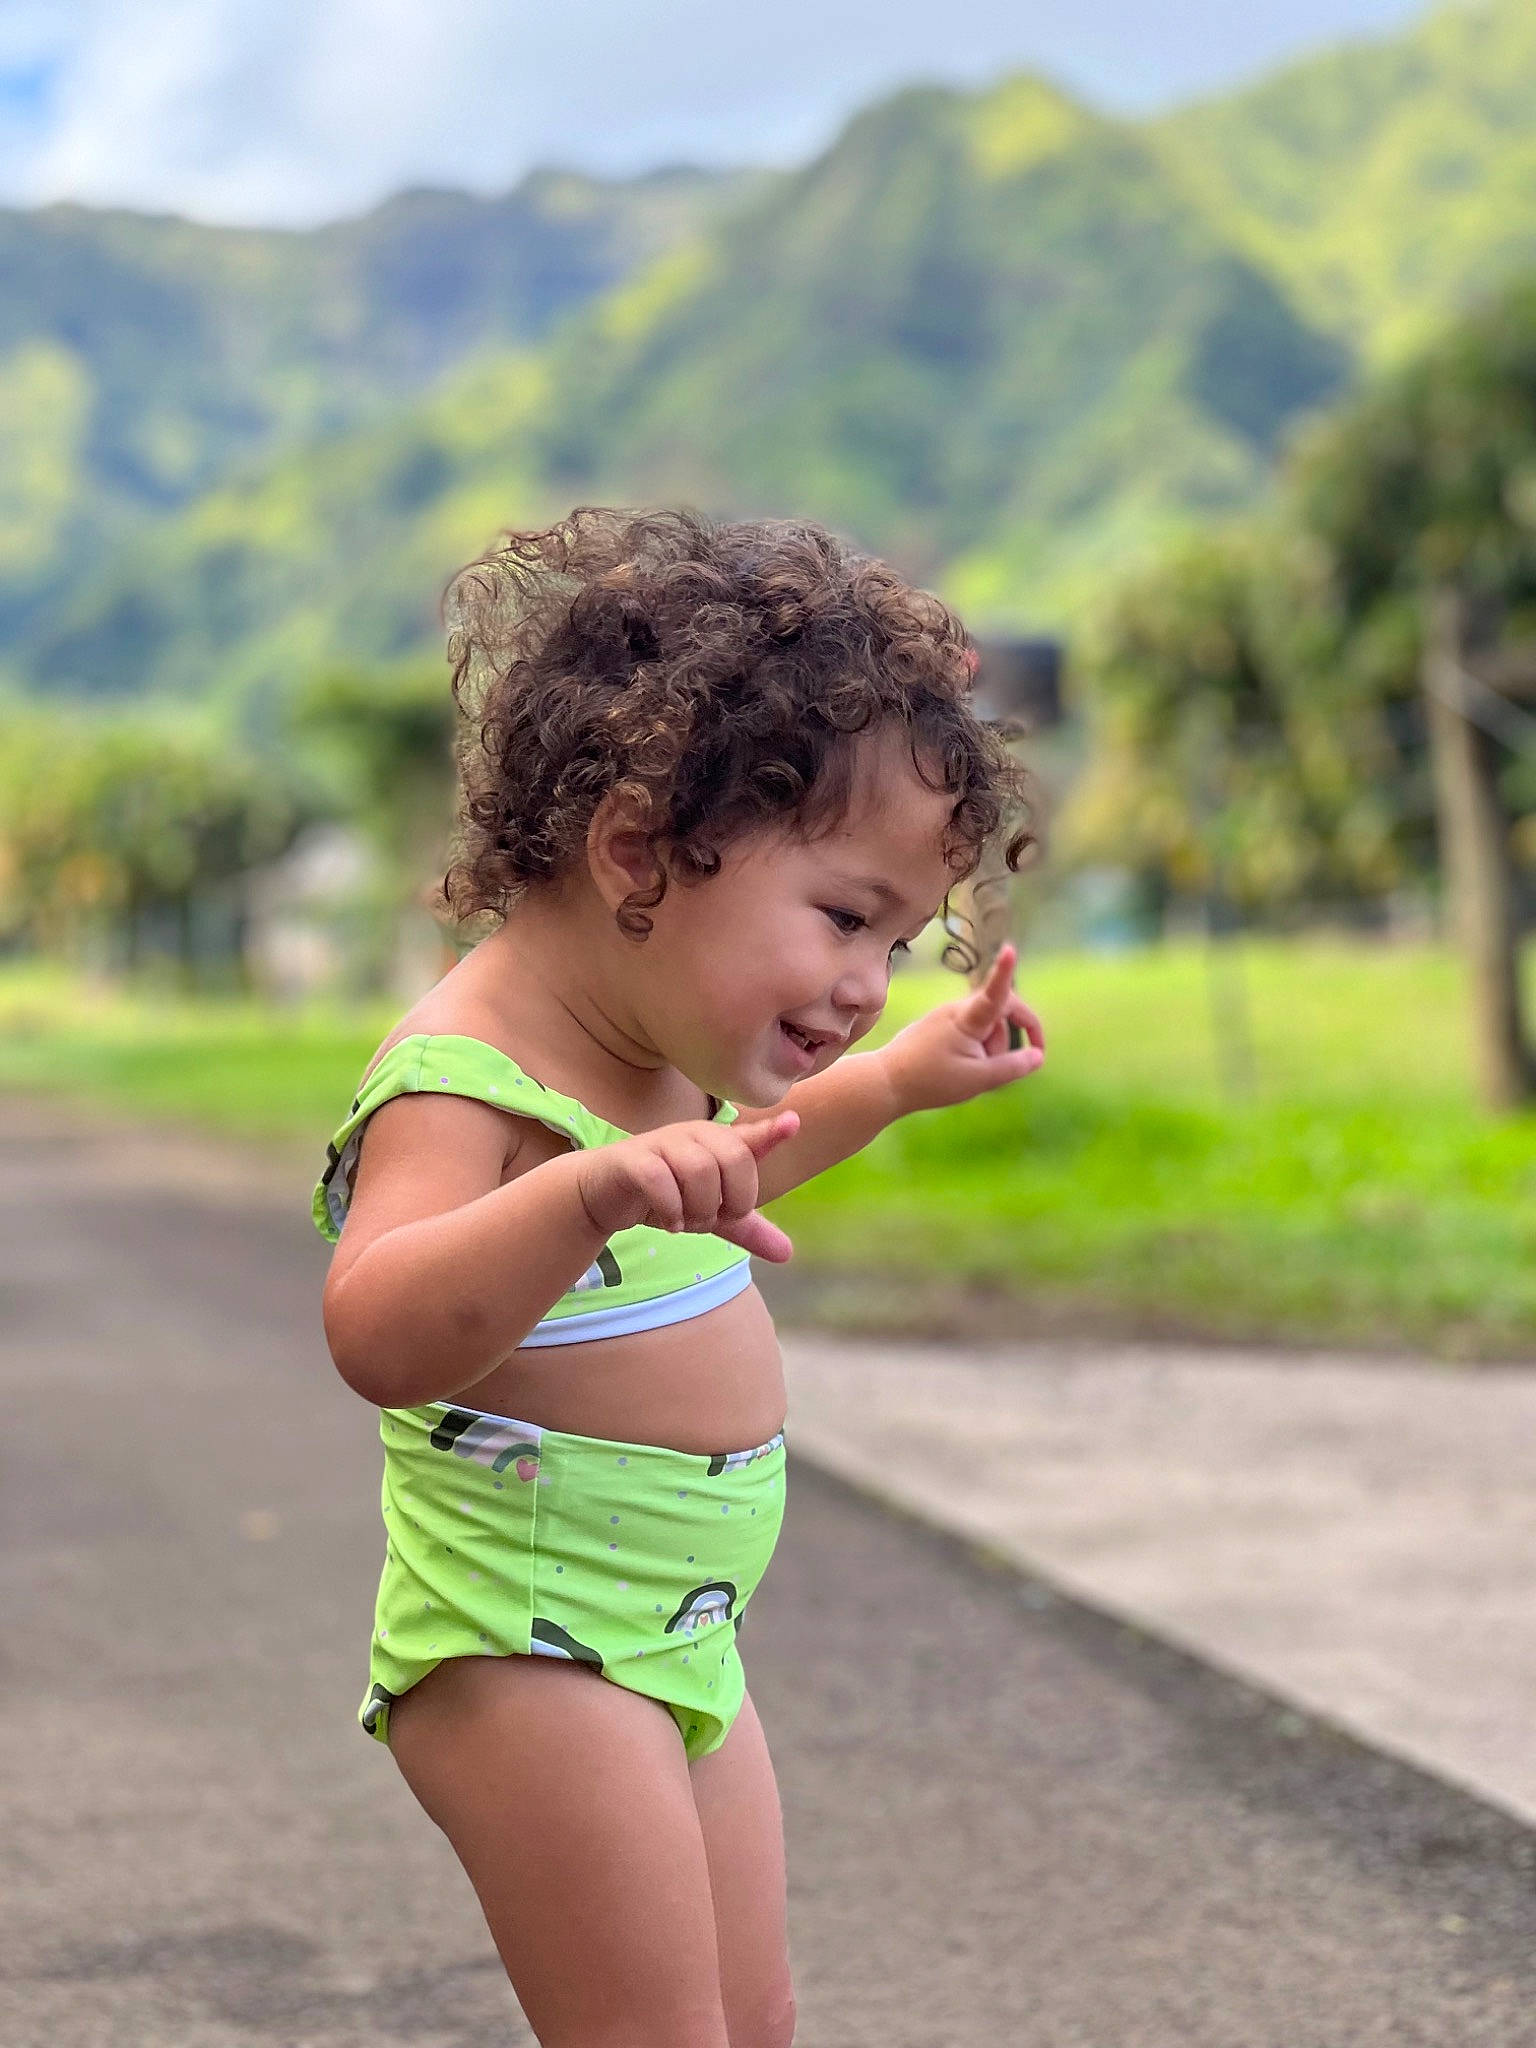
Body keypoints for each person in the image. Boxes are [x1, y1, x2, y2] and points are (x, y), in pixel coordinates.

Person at [313, 507, 1045, 2048]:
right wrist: (585, 1194)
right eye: (846, 917)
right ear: (639, 847)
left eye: (898, 946)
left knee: (751, 2025)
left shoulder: (649, 1050)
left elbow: (739, 1171)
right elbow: (379, 1326)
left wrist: (901, 1082)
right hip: (530, 1643)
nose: (862, 982)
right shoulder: (470, 1077)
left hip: (682, 1624)